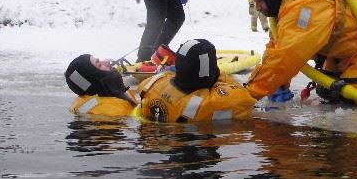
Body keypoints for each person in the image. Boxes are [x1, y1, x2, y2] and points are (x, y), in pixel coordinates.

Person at [65, 40, 257, 122]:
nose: (107, 62)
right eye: (99, 65)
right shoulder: (111, 111)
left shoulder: (149, 87)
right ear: (96, 79)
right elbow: (247, 99)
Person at [65, 54, 138, 116]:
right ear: (95, 81)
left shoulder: (89, 102)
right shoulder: (111, 113)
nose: (107, 62)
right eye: (99, 65)